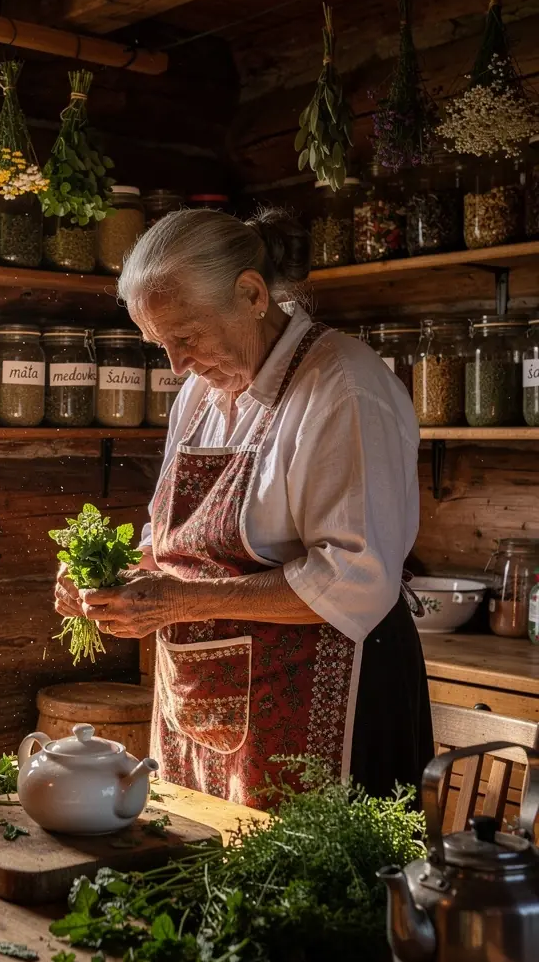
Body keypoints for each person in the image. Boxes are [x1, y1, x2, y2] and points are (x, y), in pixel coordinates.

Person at [55, 208, 433, 808]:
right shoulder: (201, 393)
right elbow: (173, 536)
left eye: (187, 337)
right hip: (210, 710)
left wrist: (176, 601)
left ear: (252, 294)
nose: (177, 365)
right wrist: (114, 576)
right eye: (161, 345)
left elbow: (354, 579)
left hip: (322, 700)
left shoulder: (341, 386)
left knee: (308, 891)